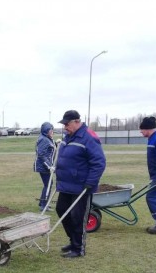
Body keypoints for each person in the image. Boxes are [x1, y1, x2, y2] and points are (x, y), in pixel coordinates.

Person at [55, 110, 106, 258]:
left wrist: (91, 182)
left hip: (81, 186)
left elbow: (99, 162)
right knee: (61, 210)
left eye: (67, 124)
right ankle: (73, 241)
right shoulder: (68, 136)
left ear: (77, 122)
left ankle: (78, 248)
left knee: (78, 216)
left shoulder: (89, 137)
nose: (65, 127)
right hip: (66, 184)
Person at [33, 122, 56, 212]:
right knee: (48, 185)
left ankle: (43, 203)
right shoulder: (44, 139)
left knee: (48, 184)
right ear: (46, 130)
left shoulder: (47, 138)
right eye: (51, 130)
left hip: (46, 166)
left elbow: (49, 150)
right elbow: (41, 155)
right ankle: (43, 205)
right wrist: (49, 166)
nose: (52, 132)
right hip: (44, 167)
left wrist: (56, 143)